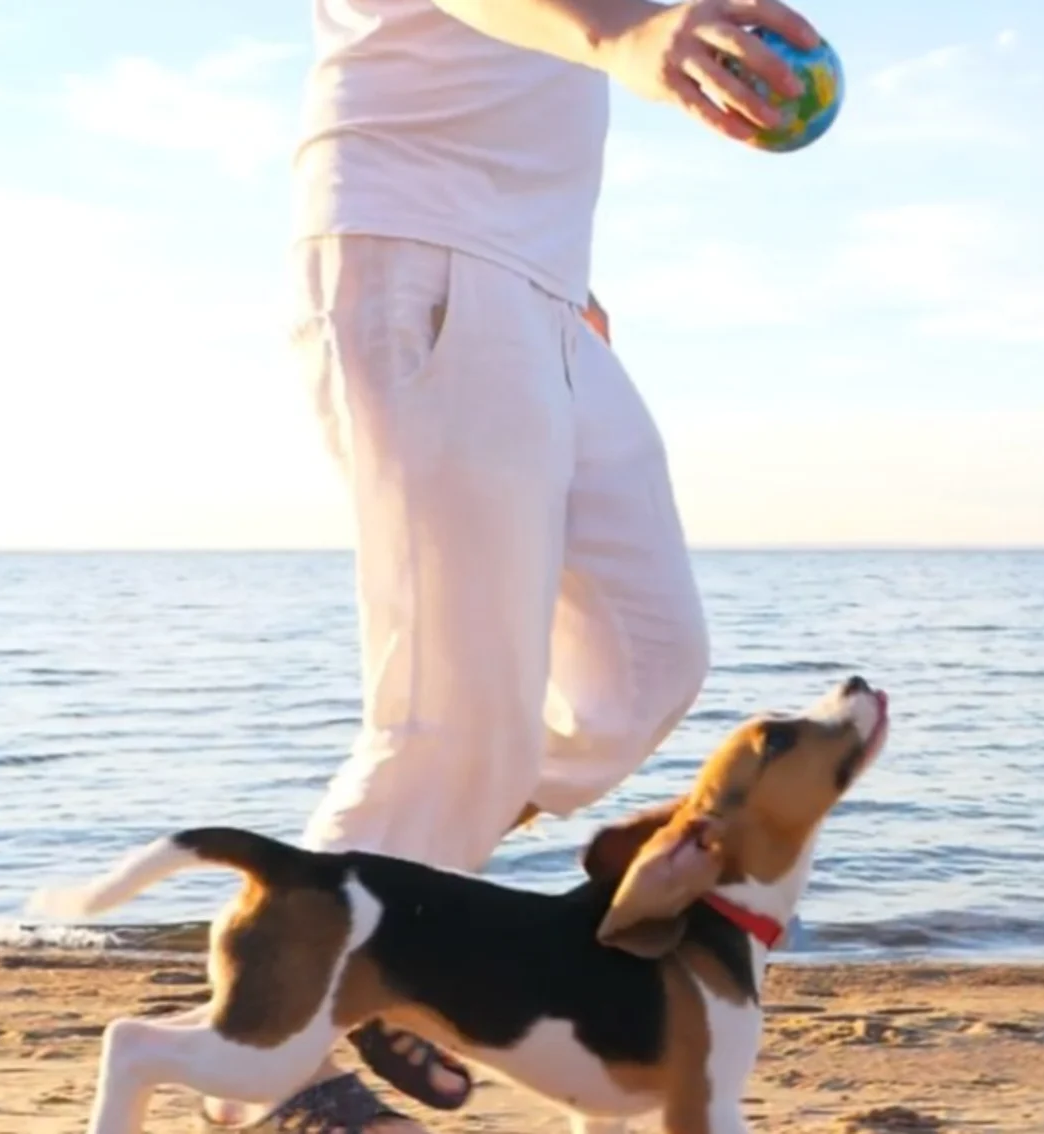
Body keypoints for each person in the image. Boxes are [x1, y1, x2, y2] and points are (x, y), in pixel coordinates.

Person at [266, 0, 826, 1129]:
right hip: (418, 254)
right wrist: (627, 33)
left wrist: (562, 273)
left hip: (535, 292)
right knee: (445, 724)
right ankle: (278, 1061)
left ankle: (392, 917)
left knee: (646, 660)